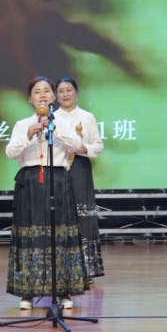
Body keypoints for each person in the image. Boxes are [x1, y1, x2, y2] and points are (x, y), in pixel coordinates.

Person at [5, 76, 88, 310]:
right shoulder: (22, 124)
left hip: (58, 179)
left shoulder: (65, 122)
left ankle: (63, 291)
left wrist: (56, 129)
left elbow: (76, 146)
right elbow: (10, 152)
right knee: (30, 235)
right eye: (37, 92)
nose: (42, 95)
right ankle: (27, 292)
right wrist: (29, 134)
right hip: (31, 182)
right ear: (30, 99)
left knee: (59, 234)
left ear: (53, 97)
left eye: (46, 91)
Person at [55, 76, 105, 281]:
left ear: (76, 93)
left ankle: (86, 270)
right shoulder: (51, 119)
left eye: (69, 90)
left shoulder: (87, 117)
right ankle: (61, 270)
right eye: (61, 91)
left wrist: (84, 148)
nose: (65, 94)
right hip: (58, 169)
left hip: (80, 168)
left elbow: (98, 145)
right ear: (56, 96)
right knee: (60, 216)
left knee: (82, 217)